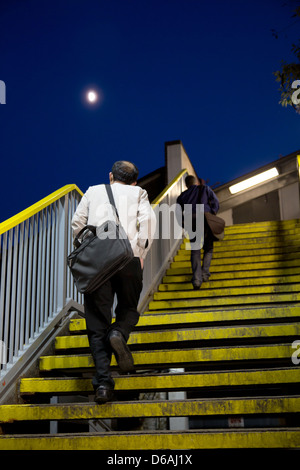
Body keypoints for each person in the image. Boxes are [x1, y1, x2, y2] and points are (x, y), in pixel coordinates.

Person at [72, 161, 156, 403]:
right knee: (129, 308)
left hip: (99, 262)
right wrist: (140, 253)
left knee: (97, 322)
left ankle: (103, 385)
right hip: (128, 257)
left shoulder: (93, 191)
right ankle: (118, 332)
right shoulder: (139, 193)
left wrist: (90, 248)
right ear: (134, 181)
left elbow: (77, 224)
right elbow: (148, 224)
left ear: (110, 176)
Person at [176, 175, 219, 290]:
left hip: (191, 221)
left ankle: (196, 280)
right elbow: (215, 202)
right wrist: (213, 212)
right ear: (195, 182)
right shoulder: (205, 189)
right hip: (205, 218)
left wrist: (183, 223)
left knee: (195, 250)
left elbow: (178, 212)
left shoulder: (182, 196)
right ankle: (205, 274)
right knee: (208, 248)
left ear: (186, 185)